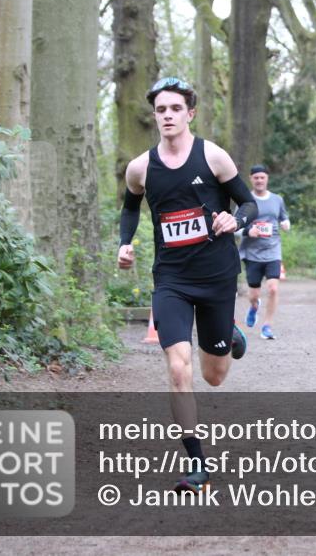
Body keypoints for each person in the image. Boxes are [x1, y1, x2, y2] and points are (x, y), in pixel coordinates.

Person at [117, 76, 257, 493]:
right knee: (179, 369)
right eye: (161, 110)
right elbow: (129, 209)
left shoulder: (213, 157)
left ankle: (227, 332)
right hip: (172, 281)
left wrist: (237, 219)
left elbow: (247, 202)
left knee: (214, 376)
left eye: (176, 109)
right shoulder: (140, 168)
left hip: (215, 277)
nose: (168, 116)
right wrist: (125, 244)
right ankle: (198, 464)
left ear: (190, 113)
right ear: (154, 116)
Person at [237, 165, 291, 340]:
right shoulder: (245, 200)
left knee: (273, 289)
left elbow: (284, 217)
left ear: (267, 179)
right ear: (251, 179)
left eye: (262, 177)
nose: (259, 180)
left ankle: (267, 326)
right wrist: (247, 231)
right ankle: (254, 307)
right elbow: (234, 226)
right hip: (252, 253)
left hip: (273, 251)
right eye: (256, 178)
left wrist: (286, 224)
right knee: (254, 294)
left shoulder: (277, 200)